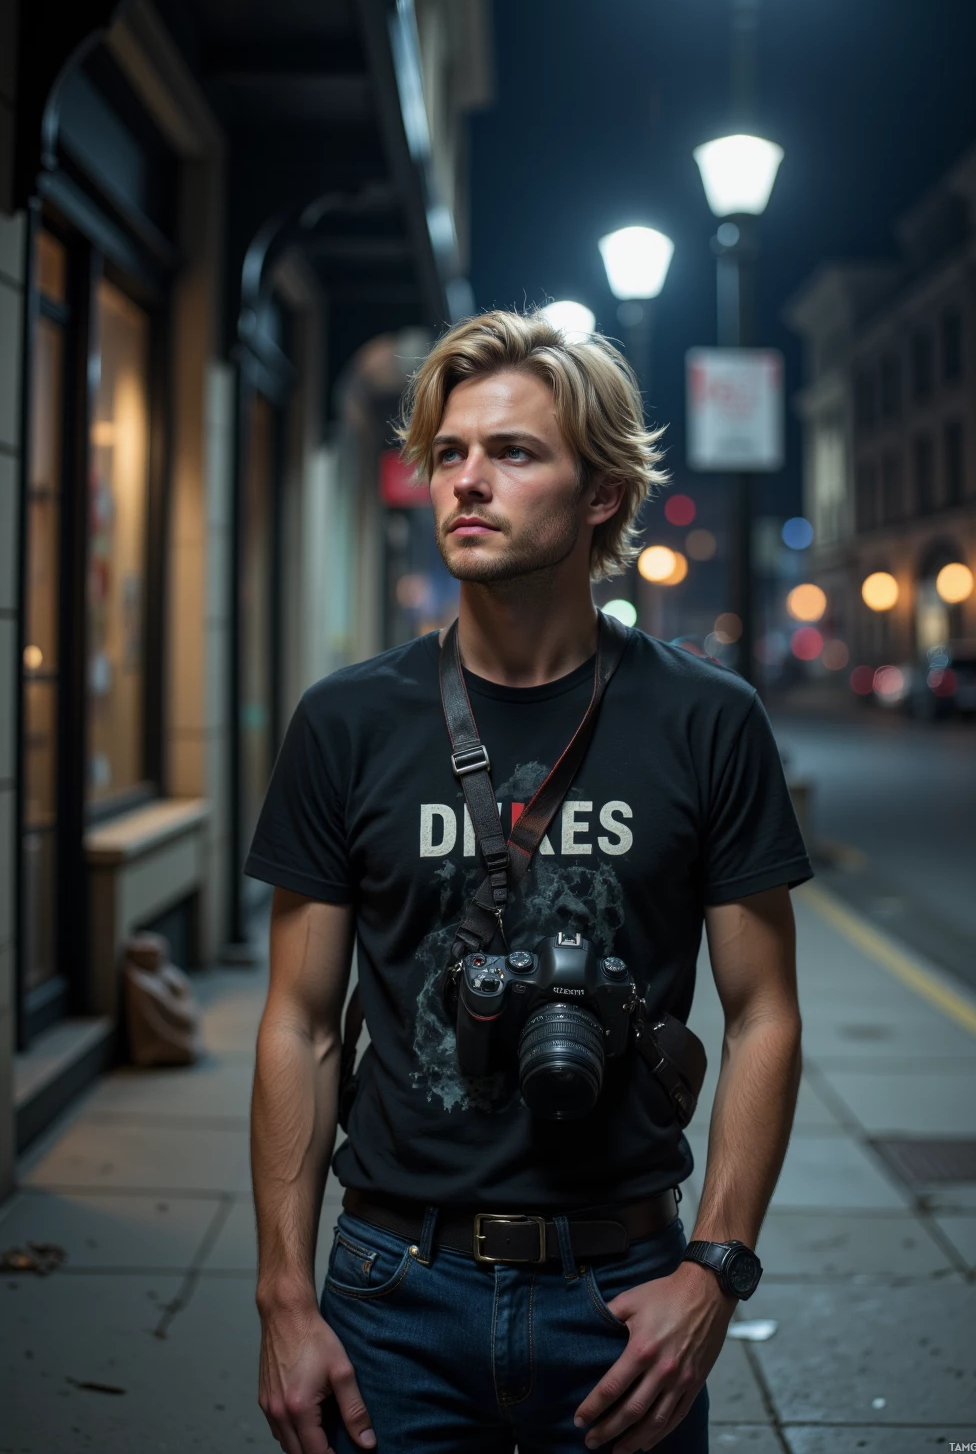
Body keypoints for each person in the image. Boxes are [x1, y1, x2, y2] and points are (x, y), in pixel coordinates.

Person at [247, 310, 811, 1454]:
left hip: (624, 1292)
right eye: (450, 453)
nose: (466, 481)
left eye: (512, 453)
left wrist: (715, 1270)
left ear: (600, 493)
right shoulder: (345, 721)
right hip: (388, 1290)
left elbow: (763, 1015)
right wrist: (284, 1297)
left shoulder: (707, 720)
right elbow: (300, 1023)